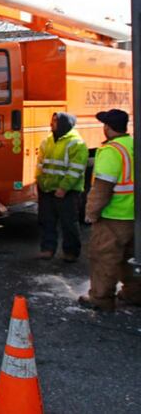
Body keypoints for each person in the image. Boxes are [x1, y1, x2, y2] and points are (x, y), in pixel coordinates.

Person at [79, 109, 140, 312]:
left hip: (114, 216)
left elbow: (102, 188)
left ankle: (101, 298)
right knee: (131, 257)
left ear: (108, 127)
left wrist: (91, 212)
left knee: (104, 257)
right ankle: (134, 293)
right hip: (134, 216)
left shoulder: (111, 151)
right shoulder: (133, 145)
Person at [35, 112, 88, 262]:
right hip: (47, 189)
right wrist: (39, 181)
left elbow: (75, 169)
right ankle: (47, 249)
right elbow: (40, 163)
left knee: (69, 223)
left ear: (65, 124)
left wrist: (64, 188)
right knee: (46, 221)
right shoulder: (48, 141)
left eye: (55, 122)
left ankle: (71, 252)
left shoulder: (76, 143)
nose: (51, 124)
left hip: (67, 192)